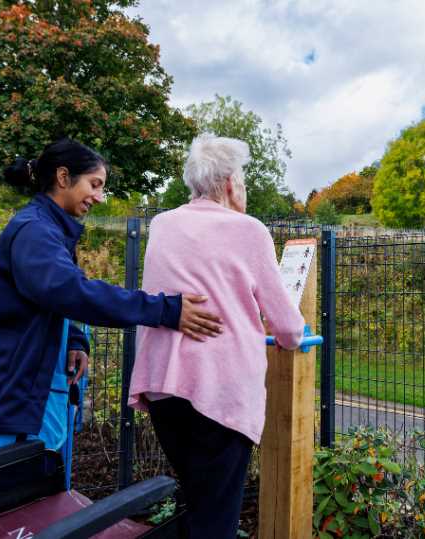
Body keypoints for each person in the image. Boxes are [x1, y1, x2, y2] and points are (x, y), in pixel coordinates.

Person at [0, 138, 223, 456]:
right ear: (63, 177)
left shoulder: (50, 229)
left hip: (18, 399)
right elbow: (72, 292)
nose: (100, 198)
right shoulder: (34, 231)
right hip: (2, 403)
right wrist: (165, 310)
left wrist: (74, 339)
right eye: (95, 184)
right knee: (3, 501)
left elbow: (46, 299)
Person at [128, 134, 305, 538]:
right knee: (217, 518)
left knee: (200, 500)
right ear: (229, 183)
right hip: (218, 390)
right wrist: (291, 337)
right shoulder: (249, 230)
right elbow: (288, 325)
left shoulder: (162, 224)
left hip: (164, 388)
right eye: (241, 178)